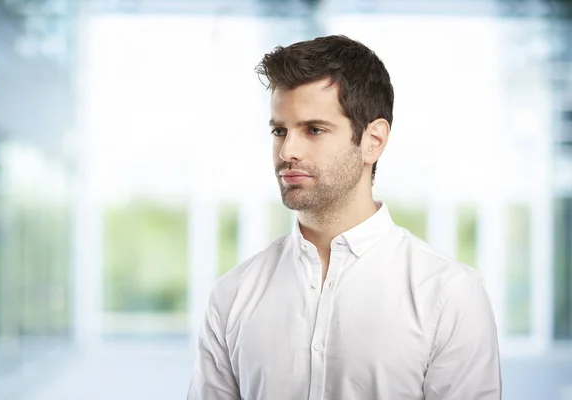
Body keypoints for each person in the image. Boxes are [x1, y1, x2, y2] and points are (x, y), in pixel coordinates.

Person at [187, 34, 501, 400]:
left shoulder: (449, 295)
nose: (287, 151)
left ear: (373, 141)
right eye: (279, 131)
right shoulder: (233, 295)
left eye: (314, 130)